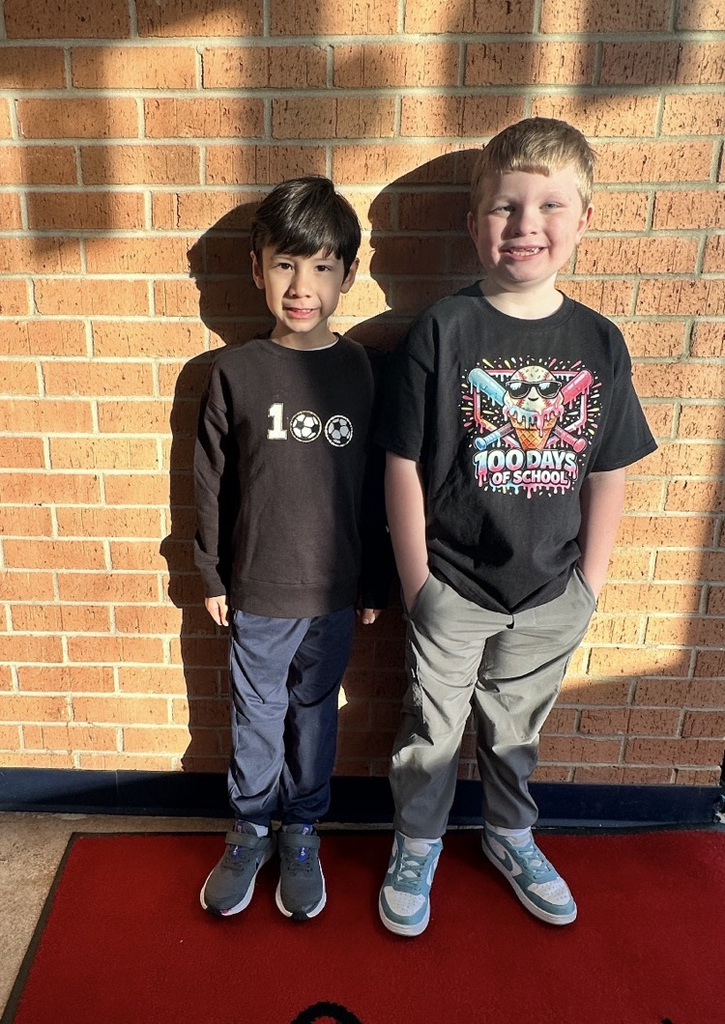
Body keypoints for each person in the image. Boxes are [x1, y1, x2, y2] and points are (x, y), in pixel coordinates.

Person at [375, 118, 657, 936]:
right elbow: (402, 463)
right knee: (430, 728)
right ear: (473, 224)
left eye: (548, 205)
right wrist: (417, 584)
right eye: (504, 207)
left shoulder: (598, 341)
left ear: (583, 221)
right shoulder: (443, 330)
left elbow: (608, 467)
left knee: (514, 730)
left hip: (550, 590)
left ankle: (508, 832)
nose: (525, 224)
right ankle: (417, 840)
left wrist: (589, 586)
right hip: (451, 584)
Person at [194, 176, 389, 922]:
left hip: (335, 593)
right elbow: (211, 482)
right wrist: (210, 571)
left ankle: (302, 829)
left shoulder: (363, 372)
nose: (300, 285)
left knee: (315, 712)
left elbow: (377, 485)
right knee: (254, 711)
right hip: (257, 590)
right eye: (284, 264)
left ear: (345, 274)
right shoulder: (233, 373)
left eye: (319, 267)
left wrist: (374, 579)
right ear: (256, 268)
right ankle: (248, 829)